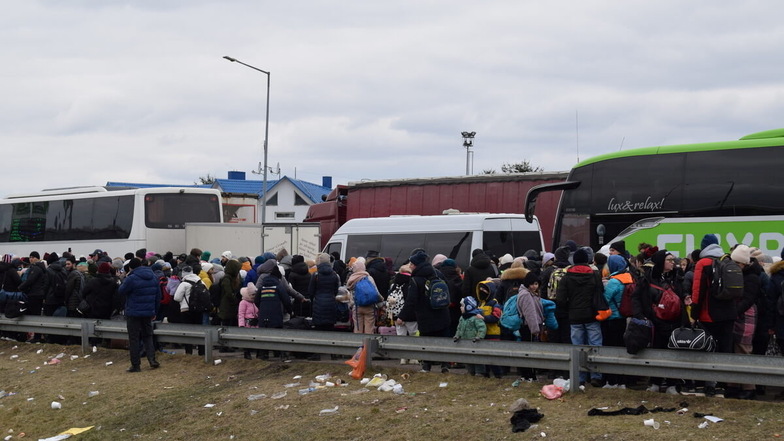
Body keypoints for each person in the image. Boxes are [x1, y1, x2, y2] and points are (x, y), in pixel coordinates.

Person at [690, 234, 738, 397]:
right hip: (729, 313)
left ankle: (707, 385)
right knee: (725, 349)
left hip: (709, 314)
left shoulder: (703, 263)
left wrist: (694, 314)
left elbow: (697, 291)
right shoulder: (727, 260)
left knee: (707, 349)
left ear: (703, 247)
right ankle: (724, 386)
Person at [633, 249, 683, 393]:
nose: (673, 263)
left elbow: (682, 293)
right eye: (669, 260)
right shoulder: (648, 279)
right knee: (657, 352)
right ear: (661, 262)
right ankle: (655, 382)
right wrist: (640, 315)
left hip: (674, 321)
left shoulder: (676, 278)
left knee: (674, 353)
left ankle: (672, 383)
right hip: (656, 321)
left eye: (673, 260)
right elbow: (636, 297)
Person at [555, 247, 603, 387]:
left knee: (577, 347)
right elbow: (600, 293)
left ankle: (580, 377)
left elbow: (561, 299)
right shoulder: (595, 275)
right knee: (595, 346)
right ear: (587, 261)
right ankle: (596, 376)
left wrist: (569, 308)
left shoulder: (566, 277)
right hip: (592, 315)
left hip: (574, 316)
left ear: (574, 261)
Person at [398, 250, 451, 373]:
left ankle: (426, 366)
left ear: (417, 265)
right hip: (442, 312)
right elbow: (447, 290)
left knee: (426, 341)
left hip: (425, 316)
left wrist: (402, 317)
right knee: (443, 340)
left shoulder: (416, 279)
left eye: (411, 264)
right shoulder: (437, 273)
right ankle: (445, 365)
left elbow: (411, 301)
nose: (410, 266)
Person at [726, 245, 760, 400]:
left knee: (744, 349)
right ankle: (733, 385)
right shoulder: (739, 274)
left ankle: (749, 387)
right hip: (736, 313)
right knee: (734, 349)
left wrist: (734, 311)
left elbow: (748, 299)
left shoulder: (752, 277)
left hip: (745, 315)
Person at [118, 258, 160, 372]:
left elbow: (121, 291)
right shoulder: (153, 277)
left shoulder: (131, 278)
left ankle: (136, 365)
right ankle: (152, 360)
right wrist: (154, 311)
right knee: (148, 336)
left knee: (134, 338)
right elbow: (158, 296)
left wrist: (124, 277)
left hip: (133, 312)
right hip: (148, 312)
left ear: (131, 268)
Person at [602, 254, 631, 388]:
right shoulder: (630, 279)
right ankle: (623, 380)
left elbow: (605, 300)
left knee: (611, 350)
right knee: (622, 349)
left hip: (613, 318)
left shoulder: (614, 281)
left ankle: (612, 381)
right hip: (626, 317)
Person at [387, 263, 418, 364]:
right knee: (413, 335)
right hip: (410, 315)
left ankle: (403, 358)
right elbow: (411, 301)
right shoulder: (411, 283)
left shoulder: (395, 284)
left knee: (401, 336)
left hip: (397, 315)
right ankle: (413, 357)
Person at [173, 266, 206, 356]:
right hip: (199, 309)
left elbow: (177, 297)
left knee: (187, 332)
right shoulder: (201, 282)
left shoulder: (184, 284)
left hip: (186, 309)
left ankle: (189, 352)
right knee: (199, 331)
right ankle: (202, 352)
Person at [453, 296, 487, 376]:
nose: (460, 308)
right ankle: (470, 371)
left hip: (475, 342)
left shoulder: (476, 317)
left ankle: (480, 372)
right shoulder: (462, 318)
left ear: (468, 307)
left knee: (477, 358)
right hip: (465, 342)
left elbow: (482, 327)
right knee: (467, 358)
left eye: (462, 306)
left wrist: (480, 336)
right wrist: (457, 335)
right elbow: (459, 328)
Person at [309, 253, 341, 332]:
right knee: (329, 328)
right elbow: (336, 290)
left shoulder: (315, 275)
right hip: (331, 304)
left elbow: (310, 291)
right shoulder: (334, 275)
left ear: (319, 261)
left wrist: (313, 299)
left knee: (318, 329)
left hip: (318, 304)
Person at [346, 260, 381, 334]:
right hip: (370, 306)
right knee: (369, 328)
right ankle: (368, 345)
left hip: (357, 306)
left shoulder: (352, 279)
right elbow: (375, 292)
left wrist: (351, 305)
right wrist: (381, 300)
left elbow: (350, 294)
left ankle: (357, 343)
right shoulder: (369, 278)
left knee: (357, 327)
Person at [238, 283, 262, 359]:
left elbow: (258, 312)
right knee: (247, 340)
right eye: (252, 295)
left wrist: (257, 318)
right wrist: (241, 325)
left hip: (255, 323)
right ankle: (247, 353)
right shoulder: (243, 303)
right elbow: (241, 314)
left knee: (258, 339)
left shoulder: (254, 302)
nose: (254, 296)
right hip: (247, 324)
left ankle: (259, 354)